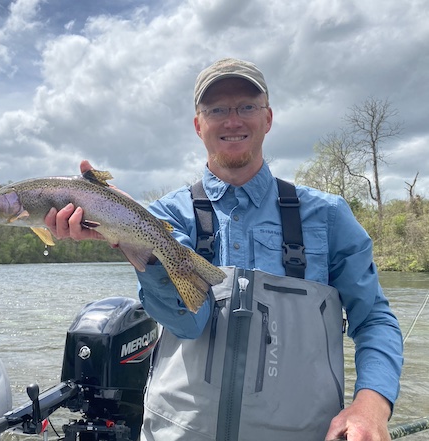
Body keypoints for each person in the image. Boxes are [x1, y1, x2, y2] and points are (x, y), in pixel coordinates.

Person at [45, 58, 403, 441]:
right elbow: (187, 323)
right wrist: (131, 231)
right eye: (217, 109)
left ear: (268, 118)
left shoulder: (328, 216)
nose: (233, 120)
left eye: (247, 106)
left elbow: (375, 320)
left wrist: (371, 405)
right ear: (199, 125)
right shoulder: (165, 216)